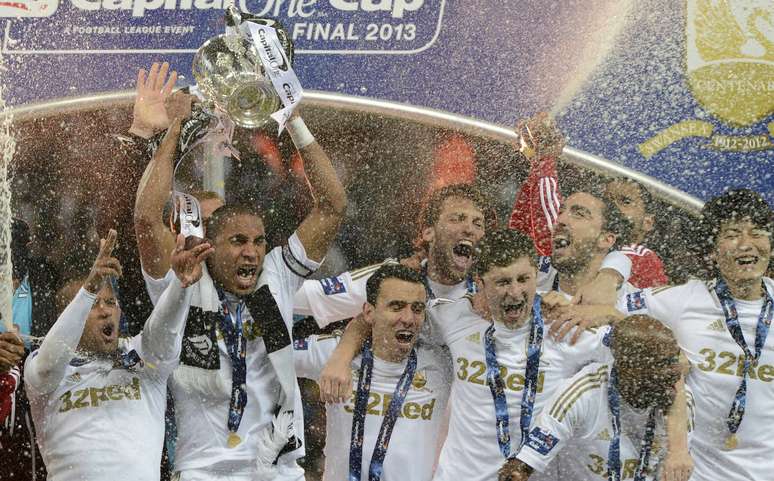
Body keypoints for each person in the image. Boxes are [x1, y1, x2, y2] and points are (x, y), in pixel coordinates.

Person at [139, 100, 347, 480]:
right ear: (210, 245)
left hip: (278, 469)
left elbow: (332, 207)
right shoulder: (182, 280)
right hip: (204, 471)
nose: (251, 251)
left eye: (258, 241)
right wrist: (174, 130)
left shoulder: (276, 274)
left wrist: (293, 119)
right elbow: (146, 219)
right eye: (237, 241)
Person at [25, 228, 212, 481]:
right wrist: (87, 289)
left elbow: (164, 334)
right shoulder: (42, 366)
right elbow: (47, 368)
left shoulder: (141, 356)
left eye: (110, 303)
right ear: (68, 320)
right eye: (92, 305)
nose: (105, 311)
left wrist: (181, 286)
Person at [429, 229, 613, 481]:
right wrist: (351, 346)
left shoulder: (563, 324)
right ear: (480, 284)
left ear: (537, 275)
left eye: (523, 279)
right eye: (502, 282)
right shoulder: (455, 317)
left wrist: (609, 312)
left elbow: (664, 354)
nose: (515, 292)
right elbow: (382, 316)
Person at [618, 189, 774, 481]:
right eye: (732, 234)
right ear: (712, 251)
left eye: (757, 233)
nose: (746, 244)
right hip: (699, 474)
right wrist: (611, 274)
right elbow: (606, 307)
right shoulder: (684, 299)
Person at [294, 264, 450, 481]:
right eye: (396, 306)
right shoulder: (332, 353)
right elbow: (263, 351)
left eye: (417, 308)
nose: (408, 318)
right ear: (368, 312)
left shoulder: (444, 364)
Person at [499, 315, 692, 481]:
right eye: (663, 363)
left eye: (675, 359)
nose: (677, 372)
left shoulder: (679, 399)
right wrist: (517, 472)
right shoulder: (583, 393)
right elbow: (520, 466)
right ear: (628, 368)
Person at [605, 178, 669, 288]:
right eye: (607, 199)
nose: (612, 206)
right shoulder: (580, 237)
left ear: (647, 222)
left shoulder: (645, 260)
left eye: (626, 202)